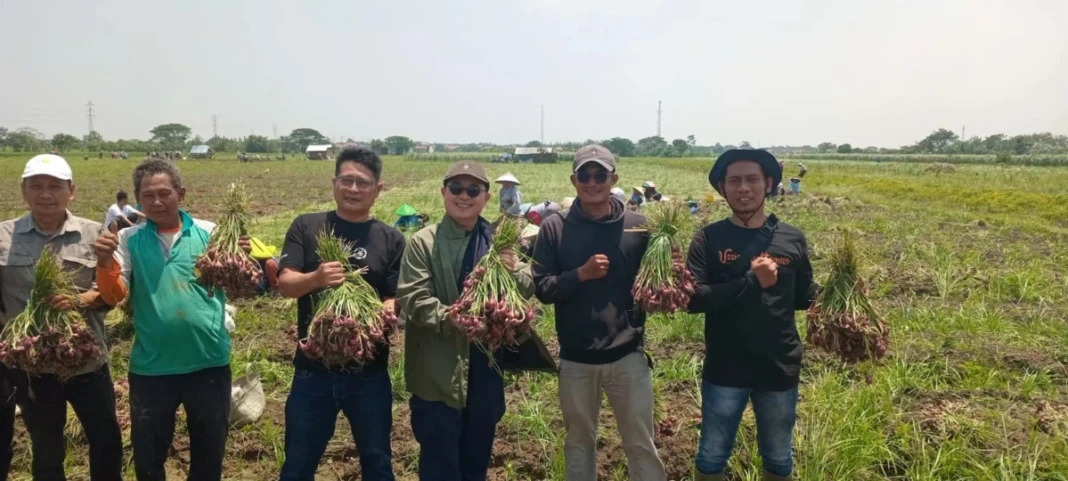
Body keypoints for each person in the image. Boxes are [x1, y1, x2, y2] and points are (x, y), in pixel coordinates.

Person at [397, 160, 555, 481]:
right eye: (456, 188)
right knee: (439, 467)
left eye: (473, 190)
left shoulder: (500, 239)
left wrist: (512, 270)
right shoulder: (423, 242)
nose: (464, 196)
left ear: (486, 197)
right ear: (444, 192)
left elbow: (528, 283)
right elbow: (413, 299)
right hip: (437, 376)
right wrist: (456, 317)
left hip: (485, 372)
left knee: (475, 463)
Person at [94, 159, 249, 481]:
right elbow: (115, 295)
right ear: (138, 200)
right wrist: (104, 261)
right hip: (152, 368)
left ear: (181, 194)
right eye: (147, 196)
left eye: (165, 193)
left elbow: (245, 285)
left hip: (208, 363)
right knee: (149, 456)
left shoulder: (211, 233)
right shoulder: (129, 239)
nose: (157, 202)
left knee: (209, 453)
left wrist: (240, 256)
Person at [532, 144, 666, 480]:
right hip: (576, 358)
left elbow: (656, 284)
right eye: (585, 175)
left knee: (640, 442)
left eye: (600, 174)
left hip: (628, 356)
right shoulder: (554, 227)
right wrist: (581, 274)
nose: (592, 182)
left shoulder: (640, 227)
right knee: (578, 442)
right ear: (574, 180)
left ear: (614, 178)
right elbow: (543, 289)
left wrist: (670, 267)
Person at [686, 149, 817, 481]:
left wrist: (840, 295)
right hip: (725, 367)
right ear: (723, 188)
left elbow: (802, 298)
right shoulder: (707, 238)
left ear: (769, 184)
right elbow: (694, 299)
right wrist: (750, 281)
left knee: (778, 457)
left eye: (752, 179)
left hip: (779, 365)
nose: (744, 188)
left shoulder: (792, 238)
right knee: (712, 455)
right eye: (734, 181)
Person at [276, 147, 403, 481]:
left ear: (378, 189)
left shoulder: (390, 238)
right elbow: (286, 283)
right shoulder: (307, 226)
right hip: (312, 369)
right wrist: (316, 278)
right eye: (346, 180)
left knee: (377, 462)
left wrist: (382, 315)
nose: (353, 189)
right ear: (334, 183)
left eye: (363, 182)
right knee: (298, 463)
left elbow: (393, 296)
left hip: (369, 370)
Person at [0, 154, 124, 481]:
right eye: (36, 186)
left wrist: (82, 298)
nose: (45, 194)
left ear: (72, 191)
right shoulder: (3, 237)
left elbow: (113, 294)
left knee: (106, 440)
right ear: (23, 191)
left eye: (55, 186)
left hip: (85, 356)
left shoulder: (95, 233)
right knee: (46, 448)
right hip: (31, 363)